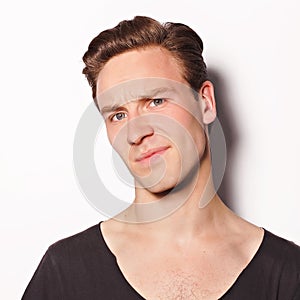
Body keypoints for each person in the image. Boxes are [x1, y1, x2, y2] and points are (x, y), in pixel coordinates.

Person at [22, 16, 300, 300]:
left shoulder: (288, 272)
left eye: (156, 101)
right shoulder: (65, 271)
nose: (135, 132)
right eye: (118, 115)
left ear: (205, 103)